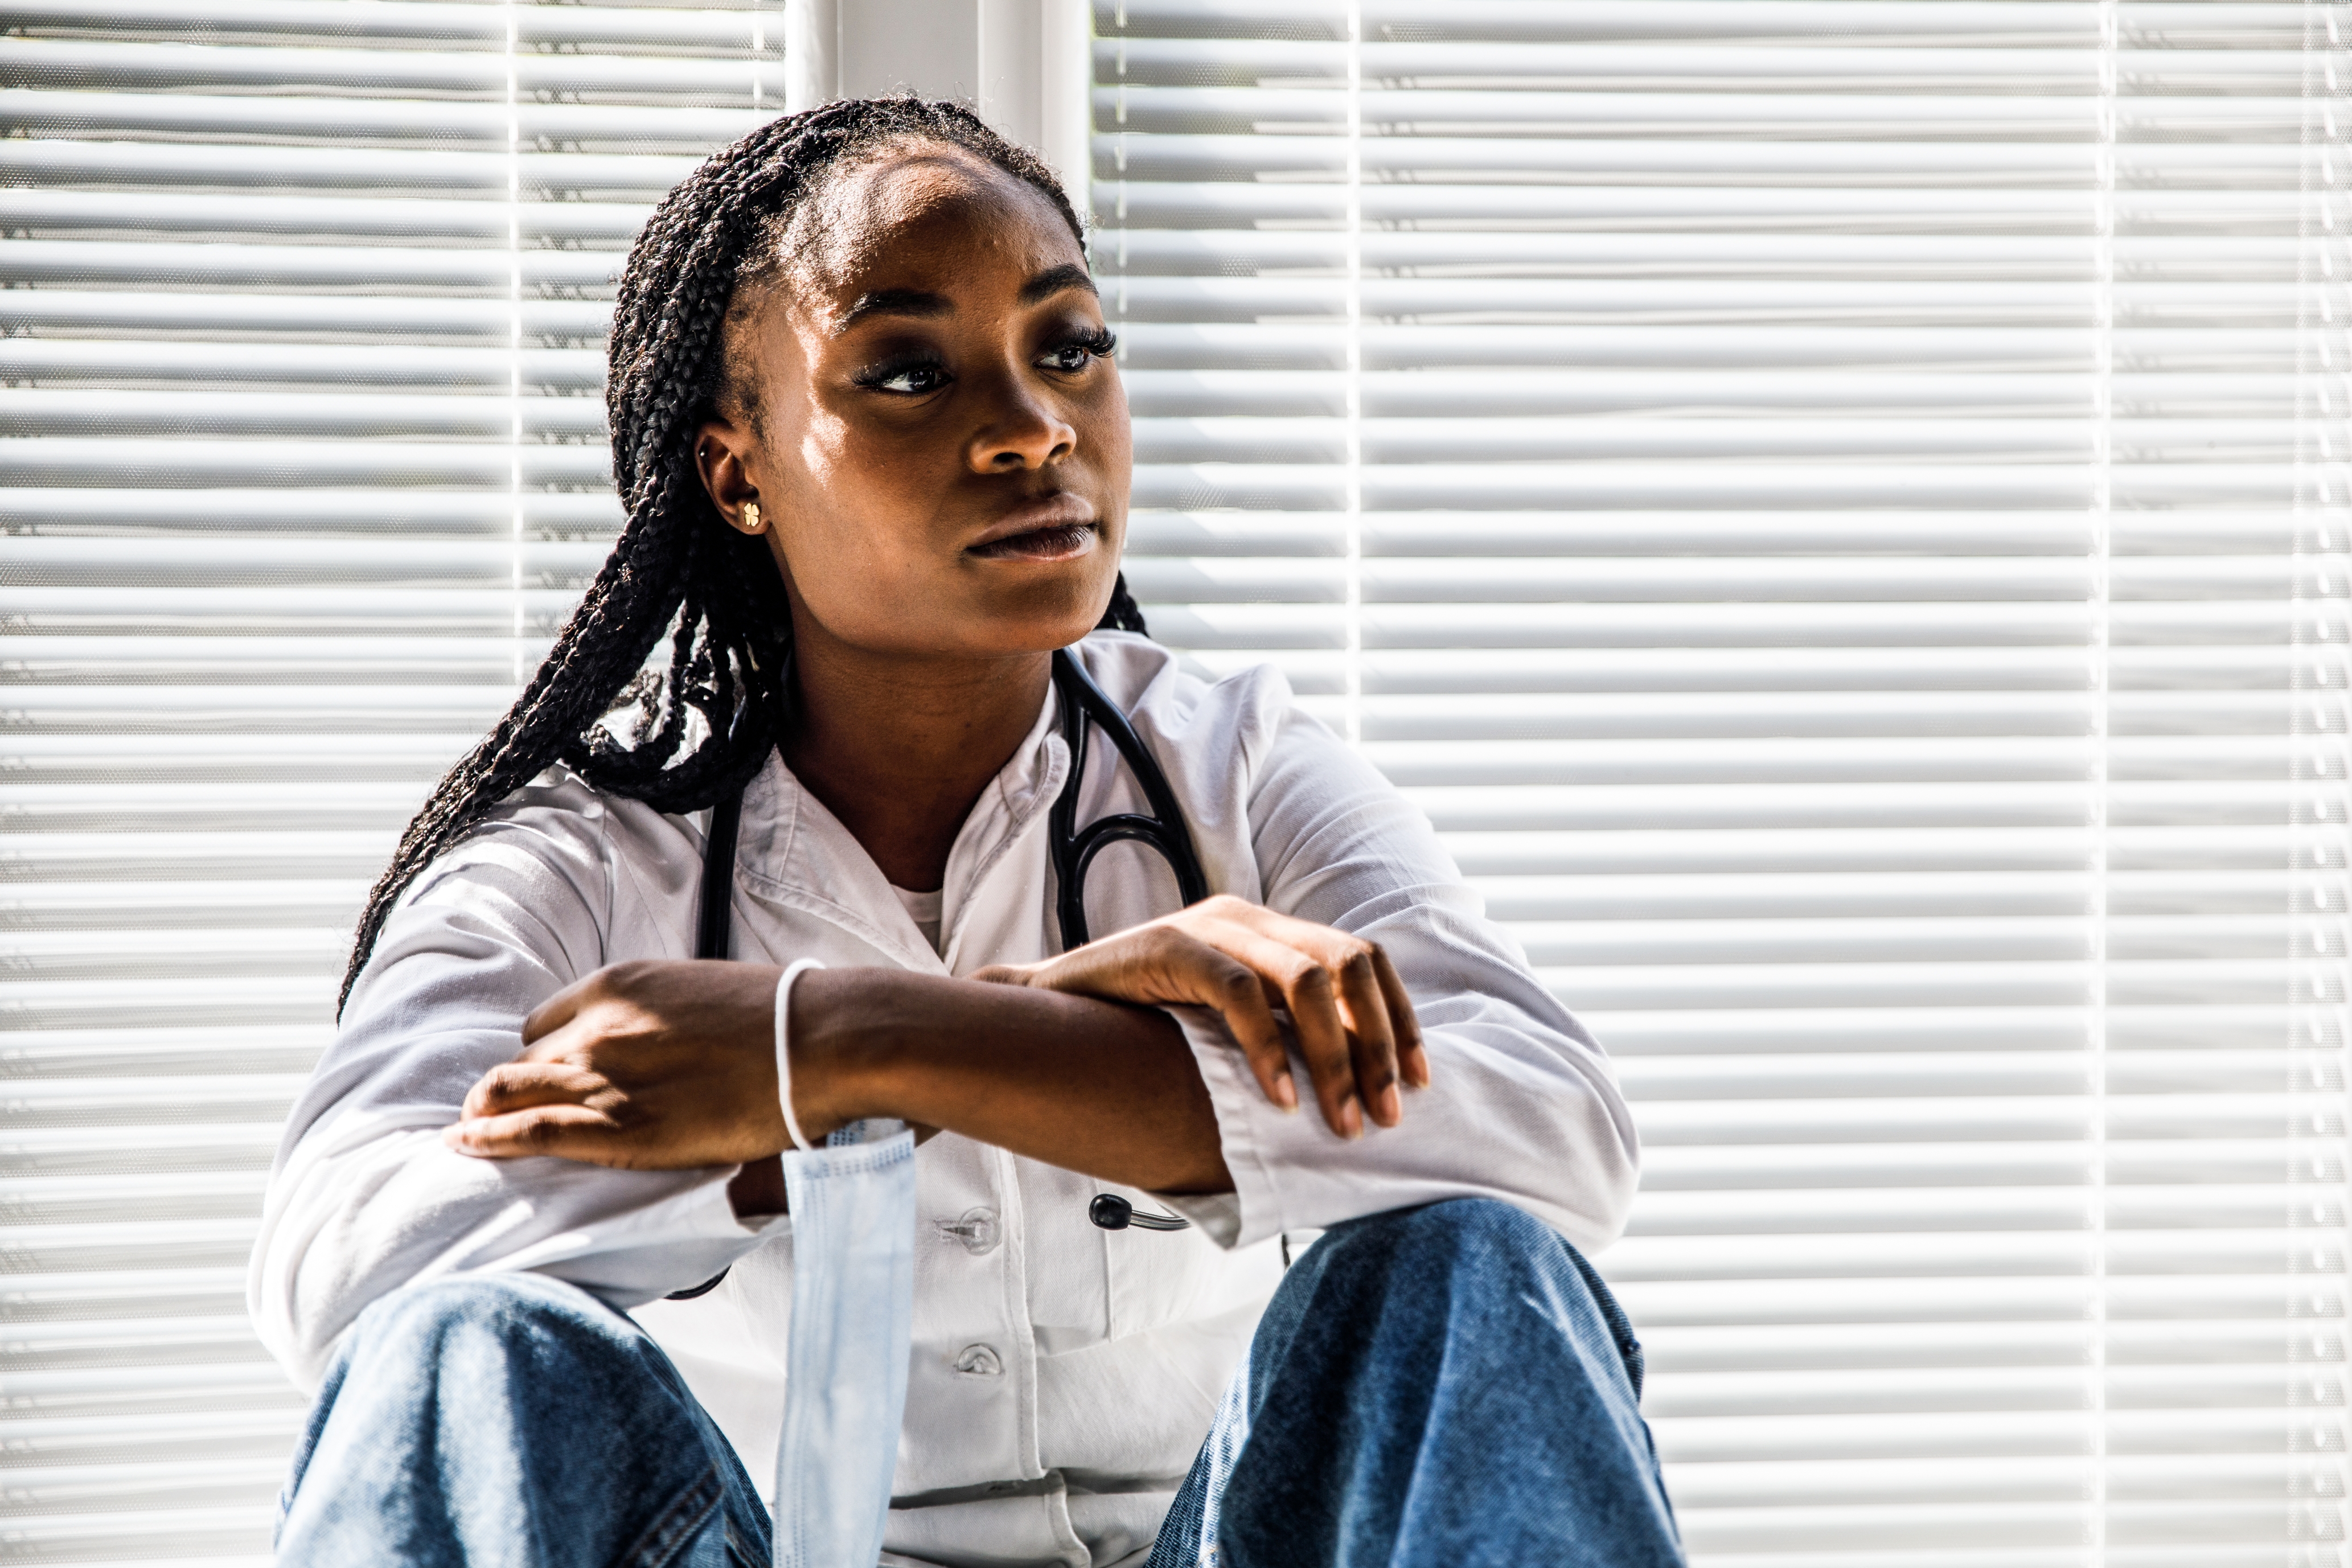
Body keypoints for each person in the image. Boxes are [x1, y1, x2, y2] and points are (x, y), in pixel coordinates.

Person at [247, 97, 1681, 1568]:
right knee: (468, 1347)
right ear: (739, 473)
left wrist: (864, 1045)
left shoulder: (1233, 758)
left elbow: (1549, 1132)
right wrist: (920, 1067)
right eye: (910, 372)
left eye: (1067, 347)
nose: (1030, 427)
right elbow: (350, 1260)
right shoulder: (578, 860)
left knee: (1463, 1266)